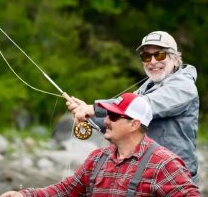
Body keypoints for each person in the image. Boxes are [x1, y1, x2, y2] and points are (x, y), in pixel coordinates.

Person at [0, 93, 205, 197]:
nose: (105, 120)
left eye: (113, 116)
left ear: (134, 124)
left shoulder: (162, 162)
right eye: (106, 114)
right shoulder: (97, 159)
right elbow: (67, 193)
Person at [64, 31, 199, 183]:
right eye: (146, 56)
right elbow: (122, 119)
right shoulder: (146, 88)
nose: (152, 61)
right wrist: (88, 117)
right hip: (145, 177)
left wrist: (94, 108)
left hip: (174, 179)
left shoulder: (184, 87)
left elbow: (141, 106)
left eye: (159, 55)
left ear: (175, 59)